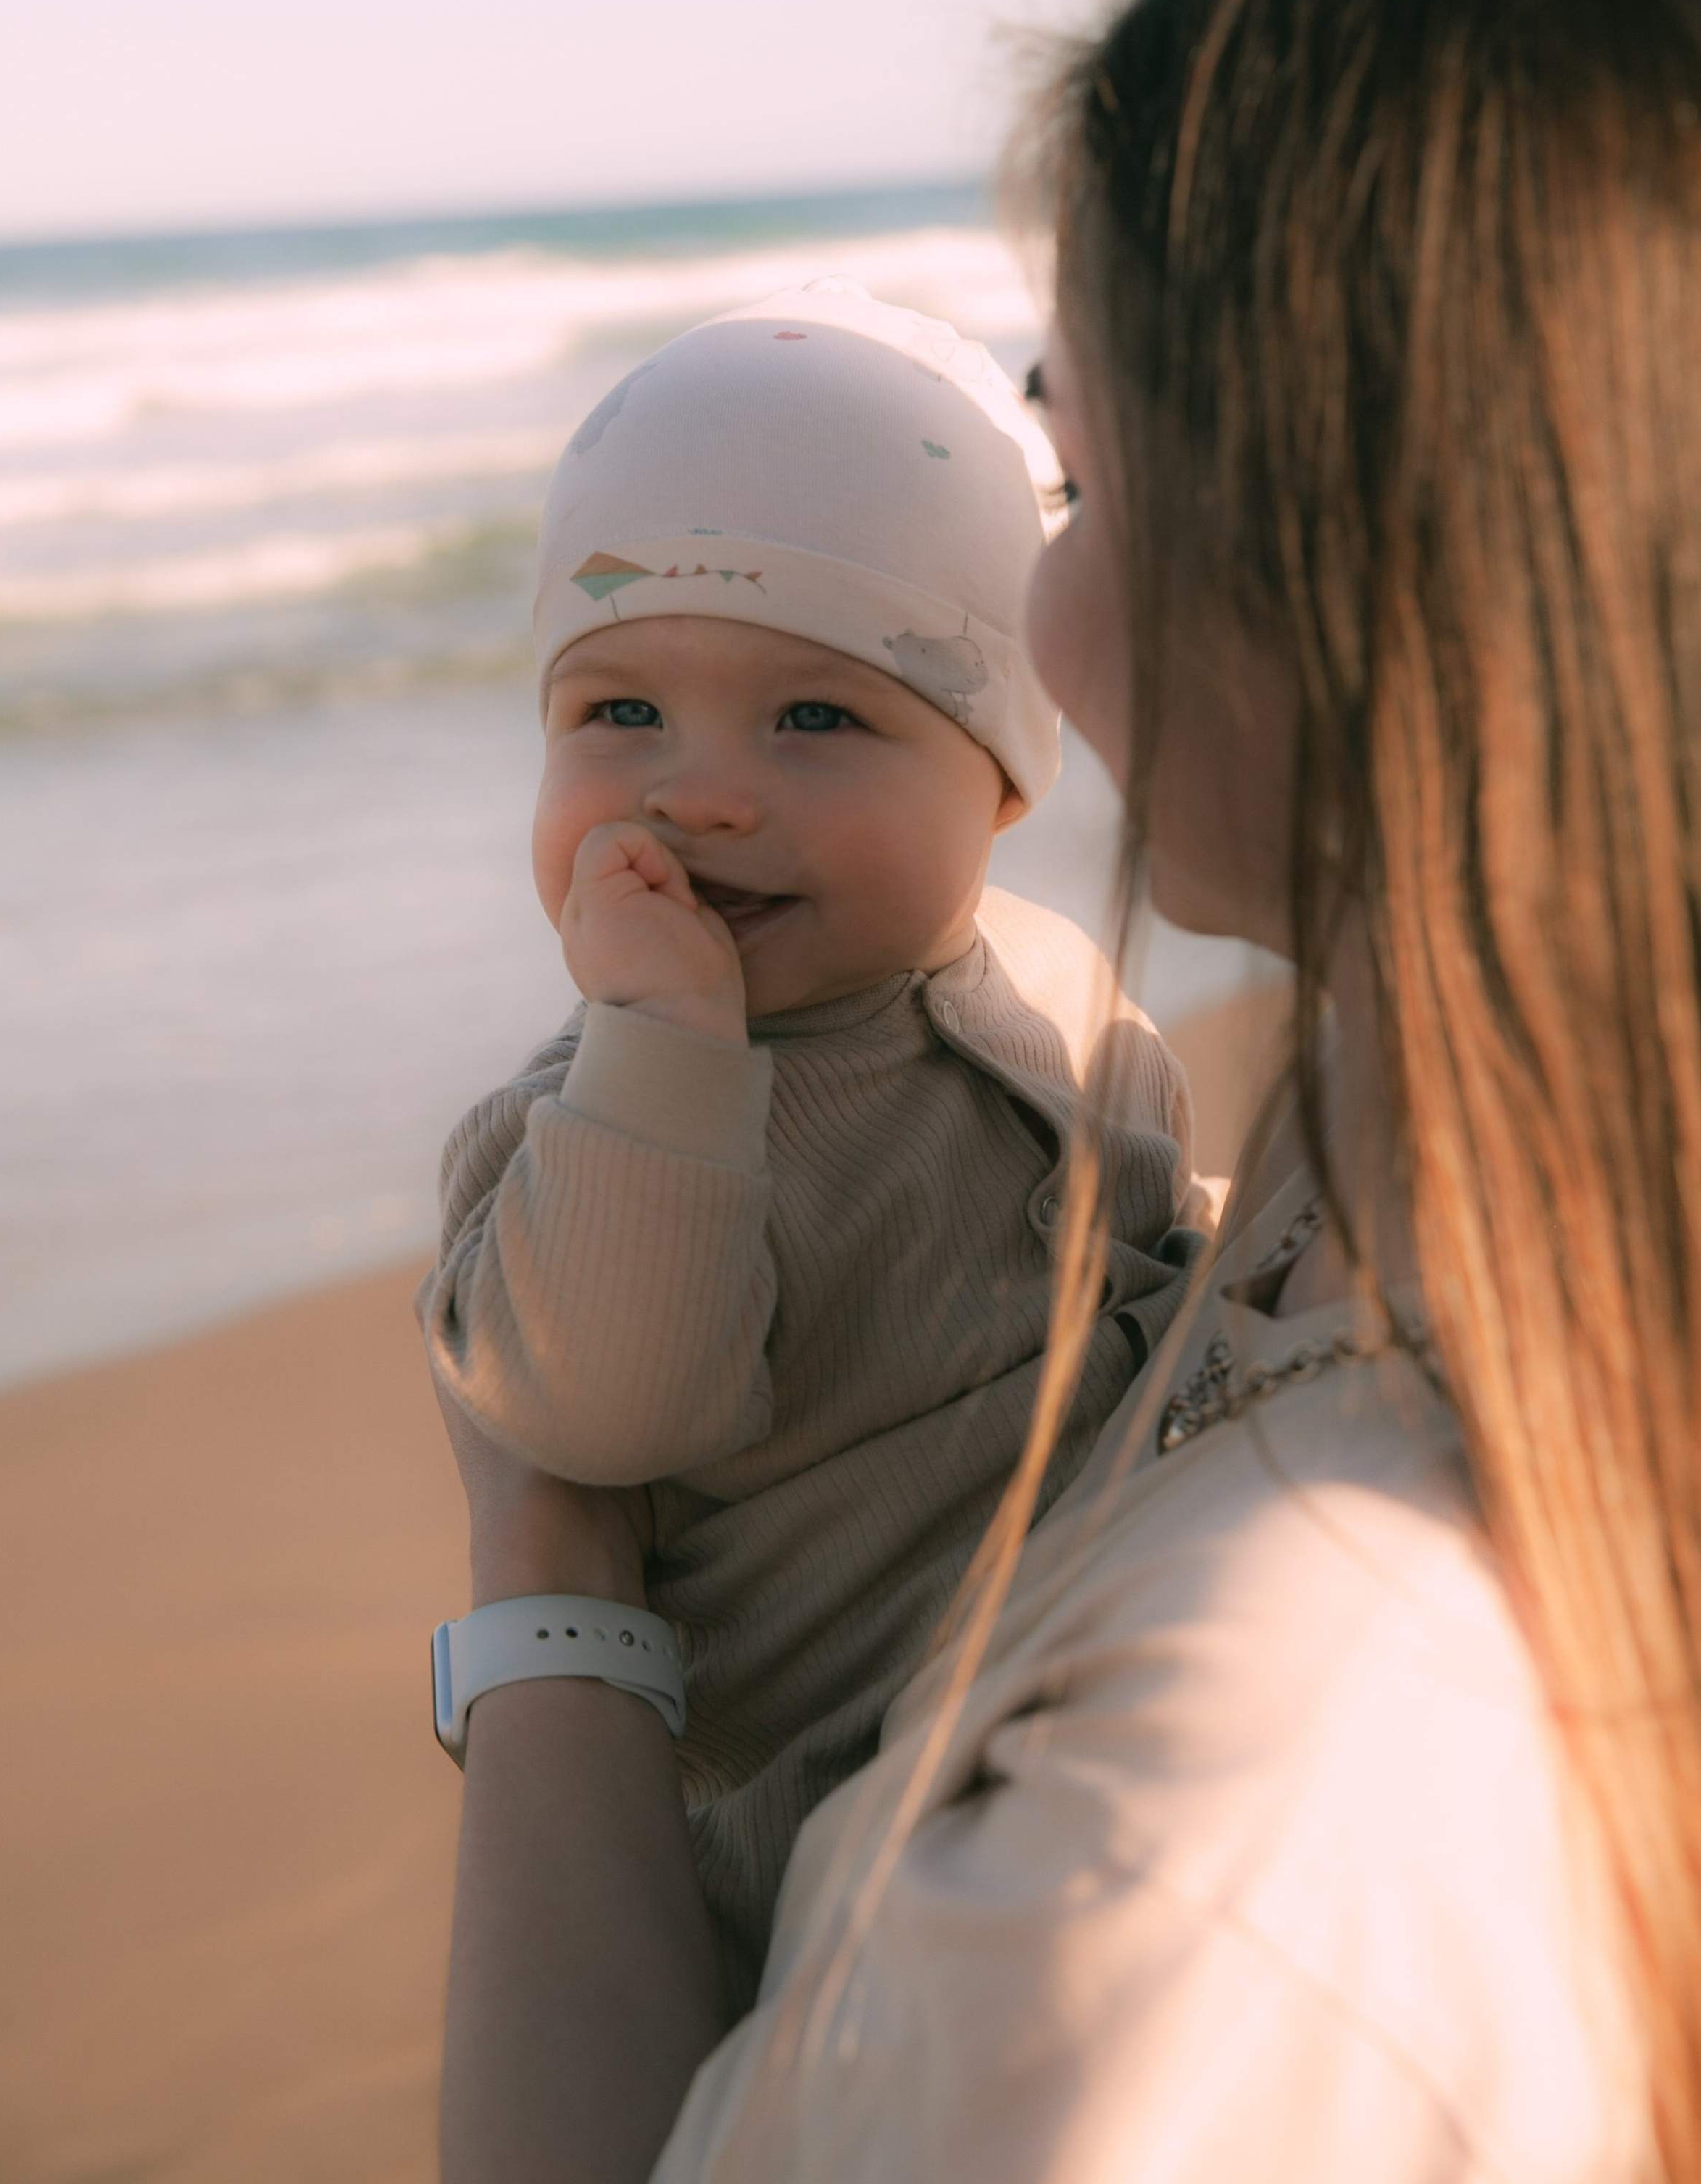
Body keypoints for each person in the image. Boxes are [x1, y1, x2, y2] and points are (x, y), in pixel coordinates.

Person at [430, 0, 1701, 2183]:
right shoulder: (1392, 1155)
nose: (1045, 597)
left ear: (1359, 562)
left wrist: (544, 1576)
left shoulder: (1228, 1835)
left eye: (1081, 474)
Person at [420, 279, 1212, 2012]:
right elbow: (602, 1413)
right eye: (616, 713)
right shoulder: (580, 1129)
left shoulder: (1063, 988)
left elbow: (1160, 1224)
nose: (695, 792)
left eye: (813, 717)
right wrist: (661, 1045)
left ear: (997, 778)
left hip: (1118, 1703)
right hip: (831, 1865)